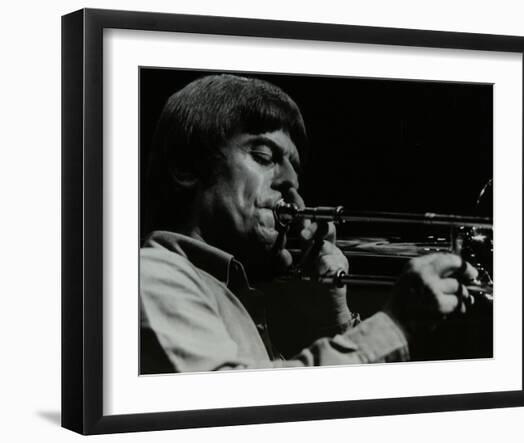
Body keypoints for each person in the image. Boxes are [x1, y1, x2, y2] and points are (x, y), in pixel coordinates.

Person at [139, 74, 478, 374]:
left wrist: (333, 318)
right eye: (263, 157)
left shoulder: (233, 297)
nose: (292, 185)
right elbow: (239, 413)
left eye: (294, 170)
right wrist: (393, 327)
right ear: (186, 167)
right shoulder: (151, 274)